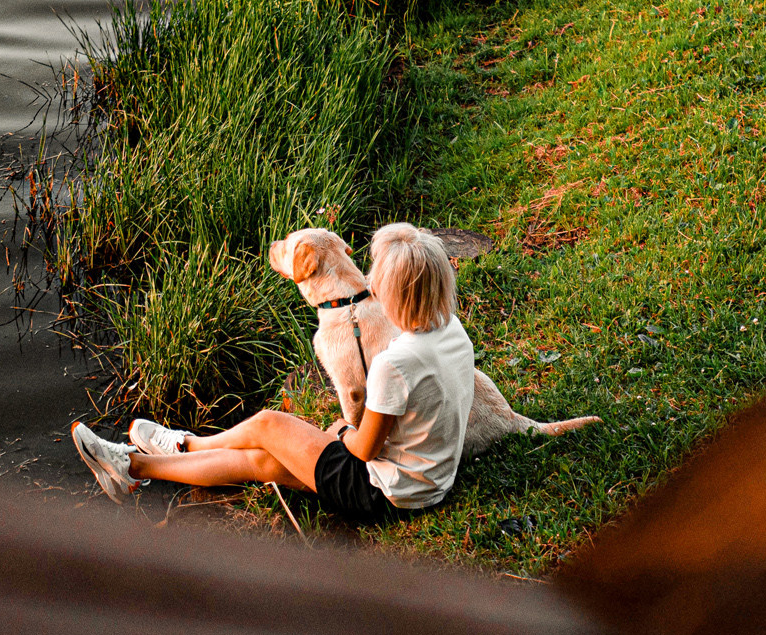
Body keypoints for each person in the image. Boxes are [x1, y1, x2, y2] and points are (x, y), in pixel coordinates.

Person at [71, 222, 475, 522]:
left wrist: (339, 432)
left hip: (383, 493)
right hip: (430, 481)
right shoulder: (451, 329)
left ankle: (185, 445)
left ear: (395, 290)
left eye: (377, 275)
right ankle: (136, 468)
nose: (368, 279)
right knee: (262, 462)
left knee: (267, 425)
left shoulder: (396, 362)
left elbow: (363, 450)